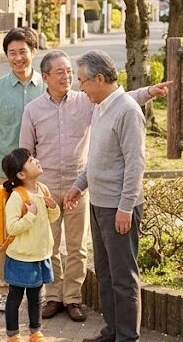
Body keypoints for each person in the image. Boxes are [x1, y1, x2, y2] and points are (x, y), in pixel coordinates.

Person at [20, 51, 168, 322]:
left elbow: (120, 101)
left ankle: (74, 299)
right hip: (48, 186)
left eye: (72, 73)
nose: (69, 79)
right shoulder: (33, 110)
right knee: (48, 246)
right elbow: (25, 152)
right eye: (61, 73)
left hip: (86, 186)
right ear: (46, 78)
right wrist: (24, 188)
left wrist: (149, 91)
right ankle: (54, 297)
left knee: (78, 248)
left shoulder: (90, 102)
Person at [64, 50, 148, 342]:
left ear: (100, 78)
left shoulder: (127, 111)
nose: (80, 88)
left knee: (123, 276)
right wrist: (78, 185)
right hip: (99, 203)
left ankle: (127, 337)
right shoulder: (100, 106)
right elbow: (98, 159)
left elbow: (135, 163)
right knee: (105, 272)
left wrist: (126, 207)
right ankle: (112, 331)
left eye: (83, 81)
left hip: (118, 208)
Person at [0, 27, 44, 311]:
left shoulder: (46, 87)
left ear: (34, 52)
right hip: (3, 175)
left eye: (23, 52)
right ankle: (5, 290)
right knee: (5, 236)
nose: (18, 58)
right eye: (12, 53)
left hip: (37, 175)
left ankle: (36, 291)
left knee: (37, 231)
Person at [0, 148, 60, 342]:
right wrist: (31, 215)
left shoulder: (42, 189)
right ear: (20, 174)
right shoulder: (17, 197)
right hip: (21, 257)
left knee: (36, 297)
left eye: (33, 157)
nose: (36, 160)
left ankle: (35, 332)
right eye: (30, 160)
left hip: (40, 254)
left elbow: (51, 219)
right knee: (15, 297)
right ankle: (13, 335)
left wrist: (53, 207)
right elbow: (12, 227)